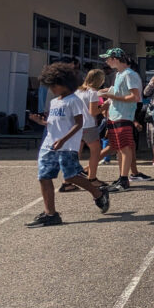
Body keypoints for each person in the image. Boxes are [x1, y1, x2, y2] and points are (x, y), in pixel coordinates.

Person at [25, 63, 110, 227]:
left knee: (71, 176)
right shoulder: (55, 102)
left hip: (66, 146)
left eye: (54, 85)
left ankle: (98, 193)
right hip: (49, 144)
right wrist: (40, 122)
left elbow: (79, 123)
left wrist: (63, 139)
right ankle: (51, 214)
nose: (52, 89)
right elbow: (52, 124)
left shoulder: (74, 100)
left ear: (65, 83)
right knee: (44, 177)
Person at [97, 48, 142, 192]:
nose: (106, 61)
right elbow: (117, 92)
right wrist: (107, 98)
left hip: (124, 115)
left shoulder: (129, 74)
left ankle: (124, 180)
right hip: (115, 115)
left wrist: (112, 97)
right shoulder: (119, 75)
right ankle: (121, 177)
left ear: (115, 59)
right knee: (119, 148)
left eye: (108, 58)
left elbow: (134, 97)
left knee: (125, 147)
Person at [65, 69, 107, 191]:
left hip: (75, 125)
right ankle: (92, 178)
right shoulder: (92, 92)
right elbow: (93, 112)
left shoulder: (77, 91)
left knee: (75, 153)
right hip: (88, 125)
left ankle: (67, 181)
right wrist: (105, 105)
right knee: (95, 151)